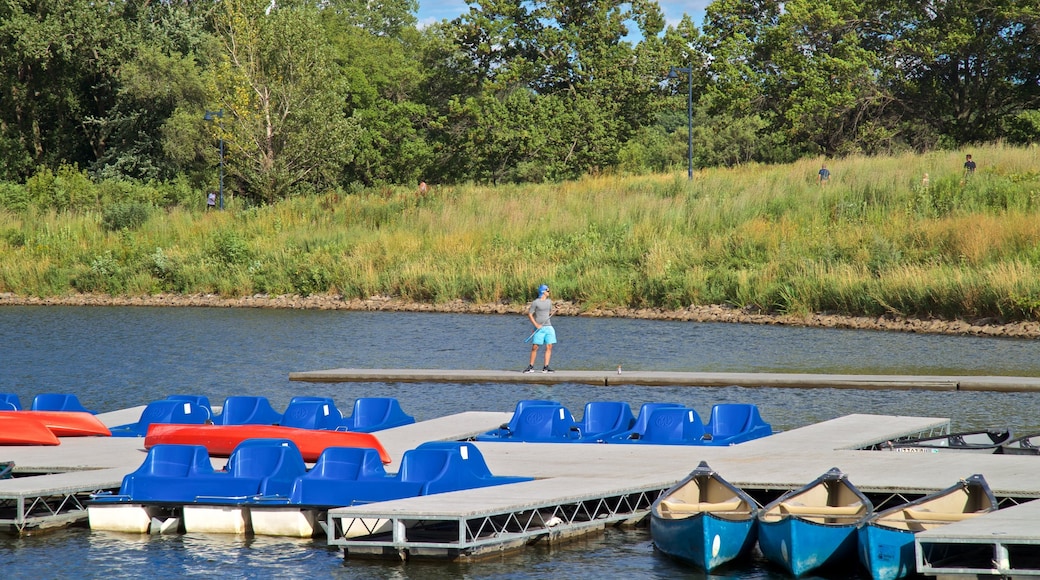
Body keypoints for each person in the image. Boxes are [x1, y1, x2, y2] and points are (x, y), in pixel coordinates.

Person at [524, 284, 556, 373]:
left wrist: (556, 310)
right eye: (548, 291)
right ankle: (531, 366)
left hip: (548, 326)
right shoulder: (536, 302)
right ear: (543, 292)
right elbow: (530, 314)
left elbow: (550, 313)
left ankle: (546, 367)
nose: (549, 292)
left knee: (549, 346)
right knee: (535, 347)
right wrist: (536, 325)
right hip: (539, 328)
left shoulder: (549, 302)